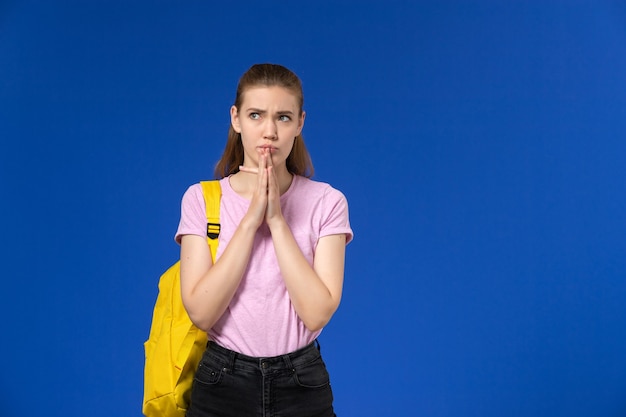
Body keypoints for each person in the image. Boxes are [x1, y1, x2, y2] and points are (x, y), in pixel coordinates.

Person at [175, 63, 353, 417]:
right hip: (221, 381)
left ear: (299, 124)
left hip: (301, 383)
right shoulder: (200, 199)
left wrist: (276, 220)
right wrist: (250, 220)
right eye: (256, 115)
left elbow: (317, 313)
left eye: (283, 117)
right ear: (236, 118)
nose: (269, 131)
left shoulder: (328, 202)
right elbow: (201, 312)